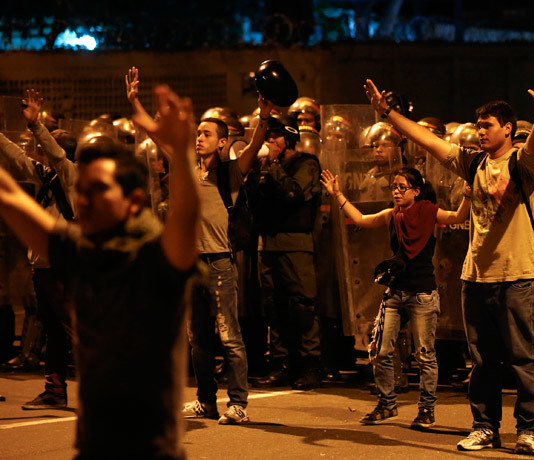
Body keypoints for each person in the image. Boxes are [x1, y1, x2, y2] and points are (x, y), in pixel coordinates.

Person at [365, 77, 534, 454]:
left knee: (524, 356)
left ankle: (528, 429)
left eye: (487, 126)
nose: (480, 132)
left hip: (518, 275)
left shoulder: (523, 164)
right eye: (478, 126)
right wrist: (387, 112)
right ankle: (484, 426)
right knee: (483, 360)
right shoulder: (473, 162)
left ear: (507, 129)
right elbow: (430, 142)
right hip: (475, 276)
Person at [0, 84, 199, 459]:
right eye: (83, 191)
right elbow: (9, 198)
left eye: (98, 189)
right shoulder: (81, 251)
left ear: (133, 200)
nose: (84, 199)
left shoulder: (156, 260)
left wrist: (184, 154)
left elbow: (187, 218)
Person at [322, 166, 470, 428]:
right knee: (380, 350)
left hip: (423, 293)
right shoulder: (392, 215)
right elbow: (360, 220)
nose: (397, 191)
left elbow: (458, 215)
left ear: (416, 190)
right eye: (394, 187)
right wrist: (337, 194)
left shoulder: (429, 211)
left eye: (403, 187)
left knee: (425, 354)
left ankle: (426, 410)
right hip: (395, 292)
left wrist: (468, 196)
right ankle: (387, 404)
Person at [181, 96, 274, 424]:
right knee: (198, 339)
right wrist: (134, 101)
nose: (199, 138)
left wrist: (263, 116)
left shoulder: (231, 174)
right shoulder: (188, 172)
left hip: (219, 263)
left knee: (229, 335)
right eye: (197, 133)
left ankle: (238, 404)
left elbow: (254, 145)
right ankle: (206, 401)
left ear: (222, 142)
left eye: (206, 134)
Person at [0, 89, 77, 409]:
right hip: (45, 267)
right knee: (56, 332)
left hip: (64, 266)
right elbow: (19, 158)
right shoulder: (48, 178)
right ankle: (55, 391)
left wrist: (35, 126)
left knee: (72, 330)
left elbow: (57, 156)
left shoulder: (72, 177)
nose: (40, 152)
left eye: (49, 144)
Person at [251, 117, 323, 390]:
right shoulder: (268, 167)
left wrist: (272, 168)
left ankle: (311, 365)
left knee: (302, 304)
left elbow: (293, 194)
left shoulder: (306, 163)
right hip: (268, 243)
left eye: (274, 138)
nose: (269, 142)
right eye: (266, 138)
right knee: (273, 306)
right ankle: (281, 364)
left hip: (296, 243)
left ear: (289, 139)